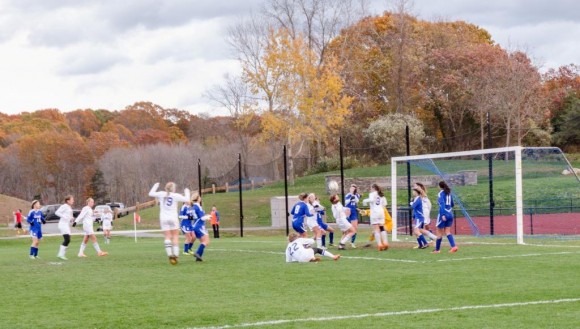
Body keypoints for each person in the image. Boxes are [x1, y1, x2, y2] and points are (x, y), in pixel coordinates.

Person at [149, 182, 191, 265]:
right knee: (175, 236)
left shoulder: (161, 194)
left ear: (165, 188)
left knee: (167, 236)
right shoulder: (175, 195)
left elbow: (150, 193)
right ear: (173, 189)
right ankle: (175, 255)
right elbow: (187, 200)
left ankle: (169, 255)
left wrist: (155, 185)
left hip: (164, 218)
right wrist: (187, 191)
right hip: (173, 218)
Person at [433, 181, 459, 254]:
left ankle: (437, 250)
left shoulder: (440, 193)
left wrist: (443, 214)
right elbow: (452, 204)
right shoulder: (449, 193)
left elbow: (442, 204)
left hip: (443, 214)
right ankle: (454, 246)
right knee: (447, 231)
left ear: (439, 186)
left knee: (439, 232)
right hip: (450, 214)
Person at [362, 183, 389, 251]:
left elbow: (371, 200)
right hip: (381, 212)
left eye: (371, 188)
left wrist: (364, 201)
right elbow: (385, 204)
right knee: (382, 227)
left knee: (376, 229)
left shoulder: (372, 194)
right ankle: (385, 243)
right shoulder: (381, 195)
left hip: (374, 213)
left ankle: (379, 244)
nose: (370, 190)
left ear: (373, 188)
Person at [191, 193, 212, 262]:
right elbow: (202, 218)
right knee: (206, 241)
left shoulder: (193, 207)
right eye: (199, 197)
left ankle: (198, 258)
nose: (200, 198)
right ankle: (197, 253)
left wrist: (206, 216)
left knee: (202, 242)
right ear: (197, 198)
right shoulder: (197, 206)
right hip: (199, 226)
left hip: (195, 226)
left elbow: (198, 217)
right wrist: (208, 217)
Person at [55, 195, 75, 260]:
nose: (73, 201)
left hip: (66, 225)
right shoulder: (64, 206)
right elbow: (57, 212)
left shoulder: (69, 207)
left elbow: (69, 216)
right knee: (67, 239)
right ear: (68, 201)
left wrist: (71, 218)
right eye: (72, 200)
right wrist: (64, 216)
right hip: (62, 224)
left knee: (68, 240)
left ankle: (61, 254)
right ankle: (61, 255)